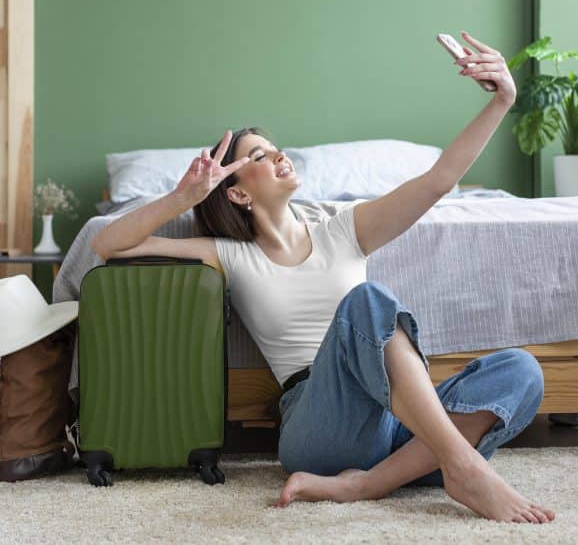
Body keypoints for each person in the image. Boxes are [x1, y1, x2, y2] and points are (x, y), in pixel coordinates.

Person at [91, 31, 554, 524]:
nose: (279, 156)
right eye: (260, 157)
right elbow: (109, 244)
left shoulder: (344, 229)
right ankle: (461, 464)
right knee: (366, 301)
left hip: (391, 423)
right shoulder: (230, 255)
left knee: (521, 370)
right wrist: (183, 198)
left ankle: (371, 482)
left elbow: (439, 180)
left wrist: (504, 100)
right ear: (237, 194)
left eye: (276, 148)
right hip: (317, 425)